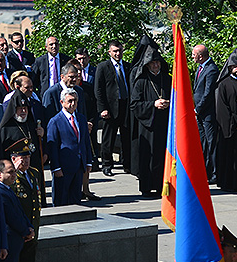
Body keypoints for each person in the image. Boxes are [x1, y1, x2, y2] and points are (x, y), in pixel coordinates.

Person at [130, 43, 170, 198]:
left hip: (164, 124)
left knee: (162, 156)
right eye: (153, 63)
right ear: (147, 65)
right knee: (147, 156)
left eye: (158, 62)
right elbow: (134, 104)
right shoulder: (141, 81)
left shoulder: (167, 80)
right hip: (148, 126)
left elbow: (177, 99)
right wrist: (153, 104)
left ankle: (161, 186)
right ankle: (146, 187)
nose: (156, 65)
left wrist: (168, 103)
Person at [8, 140, 41, 262]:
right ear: (13, 159)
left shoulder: (33, 173)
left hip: (32, 229)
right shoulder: (12, 178)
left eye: (27, 157)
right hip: (19, 231)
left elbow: (36, 201)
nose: (25, 161)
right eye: (21, 158)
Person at [47, 90, 94, 206]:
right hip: (63, 168)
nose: (73, 104)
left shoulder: (81, 119)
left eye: (75, 101)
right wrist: (55, 167)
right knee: (61, 199)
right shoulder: (55, 121)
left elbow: (85, 142)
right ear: (62, 102)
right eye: (70, 101)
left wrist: (88, 162)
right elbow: (52, 147)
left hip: (78, 166)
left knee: (75, 199)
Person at [94, 40, 133, 177]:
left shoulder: (128, 67)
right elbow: (98, 89)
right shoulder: (103, 67)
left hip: (126, 106)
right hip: (110, 109)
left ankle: (127, 164)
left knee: (126, 137)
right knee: (108, 139)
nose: (117, 53)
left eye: (119, 50)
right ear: (109, 52)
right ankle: (106, 164)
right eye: (115, 51)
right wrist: (102, 108)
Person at [0, 93, 46, 206]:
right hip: (16, 171)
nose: (23, 111)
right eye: (20, 108)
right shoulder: (5, 128)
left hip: (32, 166)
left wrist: (41, 135)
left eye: (25, 108)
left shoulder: (31, 124)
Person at [214, 51, 237, 193]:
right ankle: (229, 184)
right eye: (235, 66)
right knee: (230, 156)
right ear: (229, 67)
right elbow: (221, 108)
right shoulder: (223, 84)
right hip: (229, 128)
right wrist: (236, 123)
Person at [192, 44, 220, 181]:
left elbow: (208, 93)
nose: (192, 57)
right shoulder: (200, 68)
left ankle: (214, 173)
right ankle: (205, 170)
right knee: (202, 143)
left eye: (194, 54)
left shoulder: (211, 70)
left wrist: (198, 108)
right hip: (200, 113)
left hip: (207, 113)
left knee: (211, 143)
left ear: (201, 56)